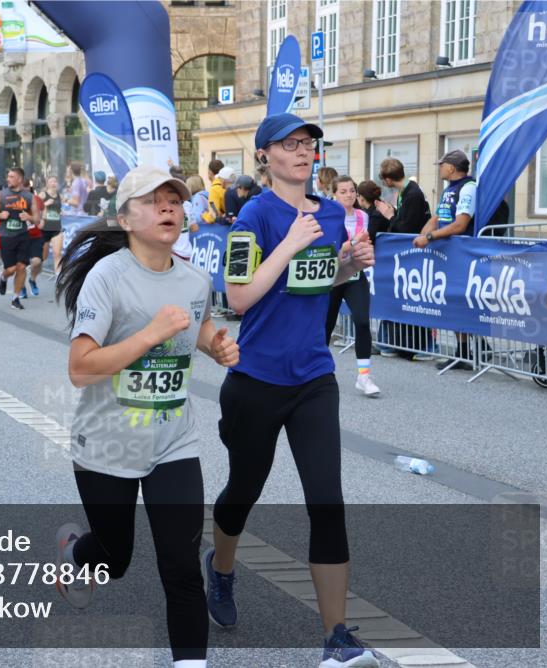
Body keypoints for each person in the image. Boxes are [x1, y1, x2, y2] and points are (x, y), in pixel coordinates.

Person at [206, 113, 378, 668]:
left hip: (313, 377)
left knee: (327, 502)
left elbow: (317, 282)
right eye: (290, 144)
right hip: (256, 379)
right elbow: (238, 297)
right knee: (244, 491)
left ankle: (337, 638)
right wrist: (289, 243)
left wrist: (347, 264)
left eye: (308, 144)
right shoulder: (253, 216)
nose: (303, 152)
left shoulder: (330, 213)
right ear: (265, 156)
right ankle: (221, 568)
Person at [55, 164, 240, 668]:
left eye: (174, 201)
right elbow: (80, 369)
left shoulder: (195, 278)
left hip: (172, 440)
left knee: (181, 566)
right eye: (153, 201)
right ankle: (76, 553)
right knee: (114, 558)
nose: (167, 208)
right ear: (124, 219)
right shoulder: (106, 278)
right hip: (108, 440)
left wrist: (216, 346)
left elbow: (198, 326)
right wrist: (150, 335)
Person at [413, 149, 479, 371]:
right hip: (449, 254)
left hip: (462, 254)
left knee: (462, 302)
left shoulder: (468, 187)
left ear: (451, 167)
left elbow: (460, 224)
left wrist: (430, 237)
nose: (439, 169)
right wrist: (423, 234)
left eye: (441, 165)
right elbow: (437, 217)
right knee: (453, 302)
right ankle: (462, 352)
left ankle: (472, 350)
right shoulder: (448, 188)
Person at [324, 176, 380, 397]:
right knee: (325, 326)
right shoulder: (328, 217)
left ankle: (364, 377)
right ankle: (318, 373)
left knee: (363, 321)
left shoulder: (362, 216)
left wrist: (362, 247)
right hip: (332, 277)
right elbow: (332, 247)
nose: (348, 195)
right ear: (334, 194)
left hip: (354, 276)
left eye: (352, 191)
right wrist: (352, 243)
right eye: (343, 191)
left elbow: (364, 244)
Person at [373, 158, 433, 360]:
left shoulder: (412, 193)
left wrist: (390, 216)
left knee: (414, 300)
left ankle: (421, 346)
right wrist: (394, 214)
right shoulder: (407, 191)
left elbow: (406, 227)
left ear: (388, 179)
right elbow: (405, 221)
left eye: (383, 179)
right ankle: (397, 344)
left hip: (413, 255)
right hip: (407, 255)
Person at [0, 167, 39, 310]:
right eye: (8, 176)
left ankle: (15, 298)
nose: (8, 179)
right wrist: (1, 215)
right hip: (6, 236)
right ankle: (3, 277)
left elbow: (37, 219)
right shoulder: (1, 194)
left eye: (11, 176)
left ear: (20, 179)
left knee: (21, 267)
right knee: (11, 269)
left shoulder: (29, 196)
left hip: (22, 236)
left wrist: (29, 217)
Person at [39, 175, 64, 276]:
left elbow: (58, 209)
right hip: (45, 228)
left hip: (56, 227)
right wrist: (45, 204)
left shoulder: (59, 196)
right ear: (47, 184)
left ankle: (58, 277)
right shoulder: (43, 194)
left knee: (57, 254)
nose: (54, 183)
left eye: (55, 181)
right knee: (43, 256)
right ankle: (35, 267)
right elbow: (35, 207)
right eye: (51, 181)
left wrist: (60, 212)